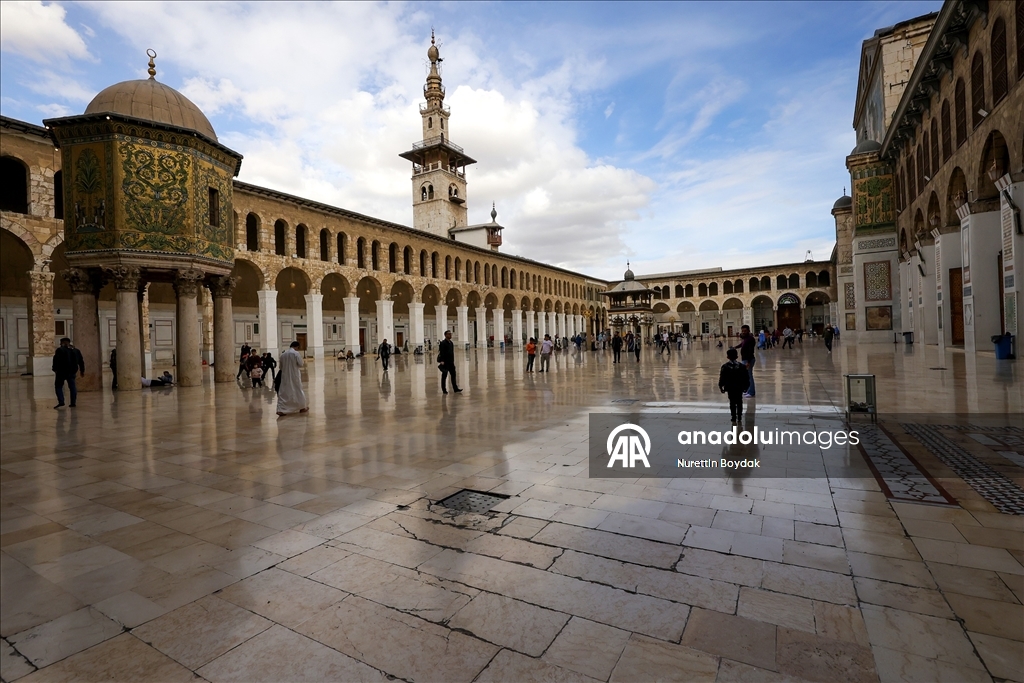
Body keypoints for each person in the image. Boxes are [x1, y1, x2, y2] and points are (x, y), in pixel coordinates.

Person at [277, 341, 309, 415]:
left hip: (285, 376)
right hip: (295, 375)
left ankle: (281, 409)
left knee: (284, 392)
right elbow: (300, 364)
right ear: (297, 347)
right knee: (298, 390)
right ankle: (302, 407)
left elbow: (280, 367)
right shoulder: (296, 353)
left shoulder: (283, 354)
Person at [719, 348, 750, 422]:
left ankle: (733, 416)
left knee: (732, 402)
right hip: (739, 387)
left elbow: (722, 378)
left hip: (730, 387)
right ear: (737, 356)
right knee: (739, 401)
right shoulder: (742, 366)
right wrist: (746, 386)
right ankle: (739, 416)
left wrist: (721, 386)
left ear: (727, 357)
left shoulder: (725, 367)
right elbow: (746, 377)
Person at [52, 337, 84, 409]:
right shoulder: (76, 350)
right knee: (72, 387)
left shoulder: (60, 350)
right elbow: (81, 361)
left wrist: (55, 369)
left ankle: (61, 401)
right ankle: (73, 403)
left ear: (63, 343)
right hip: (72, 372)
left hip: (61, 372)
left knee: (58, 386)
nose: (60, 344)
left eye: (61, 343)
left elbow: (56, 360)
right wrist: (82, 370)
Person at [733, 324, 756, 398]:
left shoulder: (750, 339)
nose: (743, 332)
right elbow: (742, 344)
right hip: (745, 359)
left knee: (749, 376)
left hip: (748, 360)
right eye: (742, 331)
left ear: (748, 331)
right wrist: (735, 347)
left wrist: (748, 362)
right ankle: (749, 390)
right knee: (747, 376)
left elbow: (750, 351)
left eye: (745, 331)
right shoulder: (746, 339)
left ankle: (751, 392)